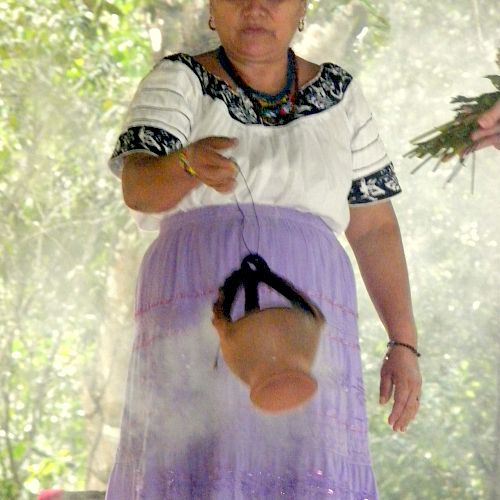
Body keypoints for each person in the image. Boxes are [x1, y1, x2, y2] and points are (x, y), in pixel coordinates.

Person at [105, 0, 422, 498]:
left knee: (304, 468)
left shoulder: (340, 94)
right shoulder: (178, 79)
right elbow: (138, 188)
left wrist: (403, 342)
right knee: (200, 461)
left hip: (312, 326)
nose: (255, 8)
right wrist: (183, 165)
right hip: (196, 310)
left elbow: (374, 227)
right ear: (213, 7)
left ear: (301, 8)